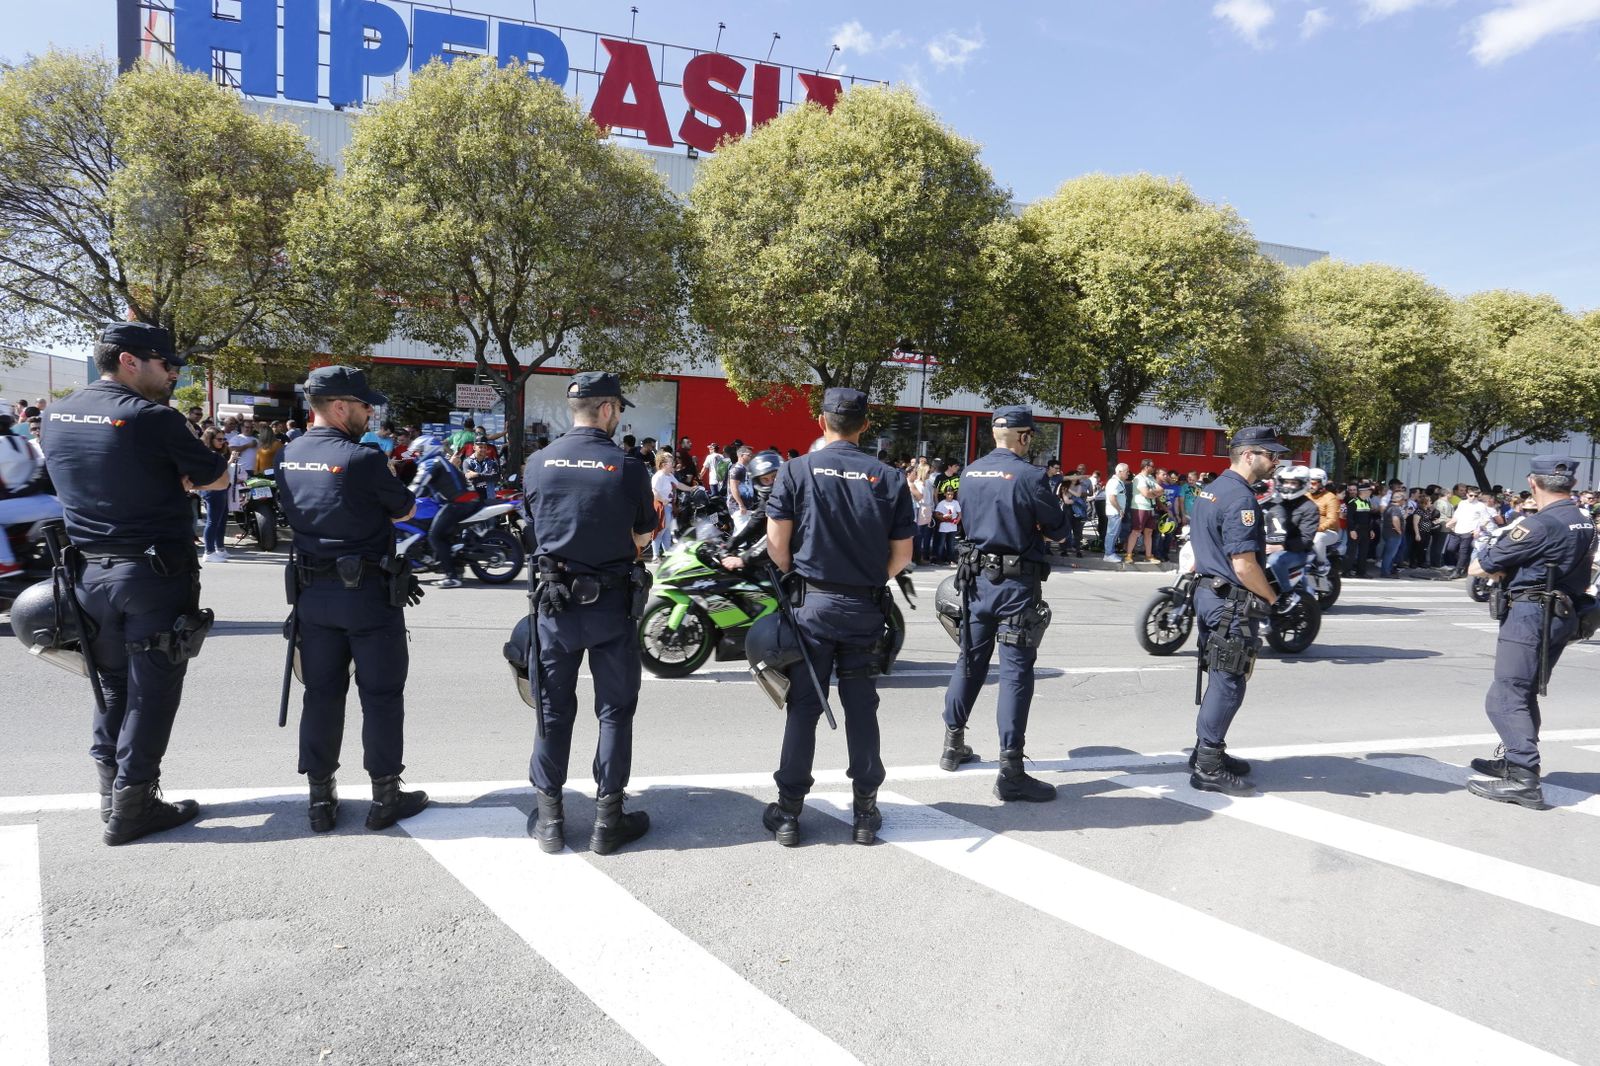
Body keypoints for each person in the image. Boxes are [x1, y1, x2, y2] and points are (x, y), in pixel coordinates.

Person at [41, 322, 230, 845]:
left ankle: (111, 795)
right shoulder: (152, 418)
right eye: (165, 364)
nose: (172, 374)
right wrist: (180, 473)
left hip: (87, 574)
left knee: (113, 688)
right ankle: (134, 806)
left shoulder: (55, 415)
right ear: (129, 361)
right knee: (152, 692)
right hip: (152, 573)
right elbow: (216, 476)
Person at [276, 366, 428, 833]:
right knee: (381, 695)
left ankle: (320, 800)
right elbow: (404, 507)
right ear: (339, 406)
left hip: (312, 595)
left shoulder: (288, 455)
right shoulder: (360, 459)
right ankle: (385, 797)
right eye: (364, 405)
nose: (369, 413)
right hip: (366, 595)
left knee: (321, 695)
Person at [760, 387, 914, 847]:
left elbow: (776, 546)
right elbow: (902, 555)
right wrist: (867, 582)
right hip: (864, 607)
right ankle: (865, 812)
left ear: (821, 421)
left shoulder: (796, 470)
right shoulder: (888, 477)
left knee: (804, 707)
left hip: (812, 606)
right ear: (865, 425)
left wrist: (804, 581)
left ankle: (788, 814)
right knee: (862, 707)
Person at [520, 372, 657, 855]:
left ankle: (552, 821)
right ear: (605, 410)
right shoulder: (628, 466)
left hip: (555, 607)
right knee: (614, 711)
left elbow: (533, 530)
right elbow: (644, 535)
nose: (619, 416)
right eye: (618, 408)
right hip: (611, 605)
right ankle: (607, 821)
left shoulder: (537, 462)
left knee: (553, 711)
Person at [940, 407, 1070, 802]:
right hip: (1015, 586)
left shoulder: (970, 472)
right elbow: (1059, 532)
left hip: (975, 583)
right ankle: (1011, 770)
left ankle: (952, 744)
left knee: (969, 661)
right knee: (1015, 673)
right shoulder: (1031, 476)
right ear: (1025, 437)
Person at [1465, 456, 1597, 808]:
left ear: (1532, 482)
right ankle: (1515, 760)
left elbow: (1478, 566)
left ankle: (1524, 776)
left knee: (1505, 695)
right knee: (1523, 691)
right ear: (1570, 482)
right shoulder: (1582, 520)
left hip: (1531, 613)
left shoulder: (1539, 525)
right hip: (1562, 610)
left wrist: (1499, 556)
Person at [1185, 426, 1287, 796]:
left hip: (1211, 595)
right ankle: (1207, 766)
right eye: (1270, 455)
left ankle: (1206, 751)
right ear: (1248, 455)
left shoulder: (1211, 490)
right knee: (1229, 682)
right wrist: (1275, 600)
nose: (1276, 462)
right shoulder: (1240, 499)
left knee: (1221, 675)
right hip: (1229, 601)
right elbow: (1244, 565)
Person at [0, 413, 61, 578]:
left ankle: (5, 563)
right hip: (44, 501)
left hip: (27, 505)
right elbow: (41, 473)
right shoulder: (23, 441)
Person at [411, 436, 477, 588]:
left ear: (428, 449)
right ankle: (457, 568)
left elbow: (418, 486)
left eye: (420, 451)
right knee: (443, 534)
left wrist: (401, 499)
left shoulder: (430, 463)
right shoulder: (440, 460)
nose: (417, 455)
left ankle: (452, 577)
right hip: (463, 500)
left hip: (457, 503)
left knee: (435, 536)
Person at [1264, 465, 1317, 593]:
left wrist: (1282, 547)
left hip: (1297, 552)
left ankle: (1288, 594)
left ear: (1303, 484)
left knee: (1275, 560)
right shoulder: (1275, 502)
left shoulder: (1309, 507)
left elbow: (1306, 539)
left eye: (1293, 483)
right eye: (1286, 482)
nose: (1288, 486)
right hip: (1268, 546)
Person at [198, 428, 233, 563]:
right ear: (210, 439)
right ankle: (209, 551)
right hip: (212, 490)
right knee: (213, 521)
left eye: (224, 439)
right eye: (219, 439)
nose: (222, 442)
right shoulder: (209, 454)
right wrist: (229, 460)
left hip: (221, 488)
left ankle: (219, 548)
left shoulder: (218, 452)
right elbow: (218, 470)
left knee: (222, 520)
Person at [1306, 469, 1341, 570]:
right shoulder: (1305, 496)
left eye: (1313, 483)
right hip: (1307, 530)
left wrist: (1318, 528)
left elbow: (1332, 519)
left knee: (1318, 538)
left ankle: (1322, 563)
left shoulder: (1330, 498)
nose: (1310, 485)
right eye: (1308, 482)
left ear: (1322, 482)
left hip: (1328, 532)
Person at [649, 450, 679, 560]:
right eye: (671, 461)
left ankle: (667, 554)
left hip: (668, 507)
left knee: (667, 532)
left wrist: (692, 488)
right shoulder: (658, 476)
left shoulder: (669, 475)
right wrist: (663, 500)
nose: (673, 463)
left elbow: (678, 484)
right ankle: (655, 555)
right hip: (661, 506)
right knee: (659, 531)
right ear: (664, 464)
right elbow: (653, 492)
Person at [1128, 458, 1160, 562]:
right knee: (1136, 531)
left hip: (1151, 508)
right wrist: (1153, 493)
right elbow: (1146, 493)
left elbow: (1161, 490)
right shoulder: (1138, 478)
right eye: (1152, 466)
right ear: (1146, 467)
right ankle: (1128, 555)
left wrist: (1152, 492)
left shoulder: (1151, 477)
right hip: (1140, 508)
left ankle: (1148, 555)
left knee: (1149, 532)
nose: (1153, 468)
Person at [1102, 462, 1129, 562]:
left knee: (1114, 533)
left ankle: (1110, 553)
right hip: (1114, 512)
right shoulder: (1114, 482)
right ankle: (1108, 554)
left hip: (1116, 512)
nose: (1128, 473)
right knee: (1112, 533)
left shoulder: (1118, 482)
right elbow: (1112, 498)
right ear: (1120, 471)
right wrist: (1119, 510)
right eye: (1126, 471)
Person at [727, 445, 756, 532]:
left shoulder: (744, 469)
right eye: (749, 455)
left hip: (745, 507)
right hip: (738, 508)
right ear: (741, 455)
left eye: (752, 455)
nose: (751, 456)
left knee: (738, 536)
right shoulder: (737, 469)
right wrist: (741, 504)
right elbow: (733, 487)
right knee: (744, 535)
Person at [934, 485, 961, 563]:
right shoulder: (942, 503)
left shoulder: (955, 503)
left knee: (951, 544)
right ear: (945, 494)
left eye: (952, 494)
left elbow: (959, 514)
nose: (950, 496)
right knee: (941, 544)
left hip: (953, 526)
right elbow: (936, 514)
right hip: (944, 526)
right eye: (948, 494)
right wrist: (943, 516)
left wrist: (957, 520)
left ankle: (951, 559)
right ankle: (939, 559)